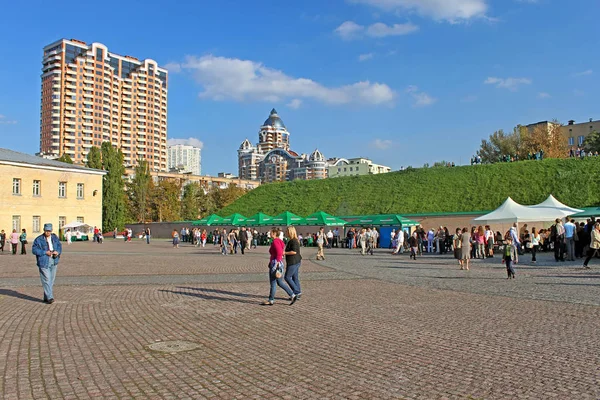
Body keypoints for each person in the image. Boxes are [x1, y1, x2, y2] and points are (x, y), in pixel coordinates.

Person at [262, 228, 295, 305]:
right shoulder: (280, 241)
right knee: (279, 282)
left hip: (275, 263)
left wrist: (276, 263)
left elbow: (279, 253)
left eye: (270, 232)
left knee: (273, 283)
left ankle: (271, 300)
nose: (269, 234)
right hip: (277, 262)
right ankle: (292, 295)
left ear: (274, 233)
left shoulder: (275, 241)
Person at [31, 223, 62, 304]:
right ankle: (50, 297)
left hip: (54, 260)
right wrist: (45, 252)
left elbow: (59, 246)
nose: (48, 232)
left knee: (51, 280)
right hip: (44, 261)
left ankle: (46, 296)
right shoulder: (39, 239)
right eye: (46, 231)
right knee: (46, 279)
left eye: (49, 231)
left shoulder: (54, 237)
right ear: (44, 230)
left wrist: (57, 252)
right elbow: (34, 250)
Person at [284, 226, 302, 303]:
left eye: (287, 231)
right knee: (295, 277)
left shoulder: (293, 241)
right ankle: (297, 293)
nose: (286, 233)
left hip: (293, 261)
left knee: (287, 277)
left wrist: (284, 253)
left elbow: (294, 252)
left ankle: (296, 291)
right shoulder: (292, 240)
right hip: (295, 261)